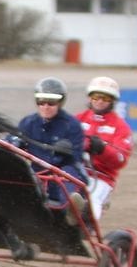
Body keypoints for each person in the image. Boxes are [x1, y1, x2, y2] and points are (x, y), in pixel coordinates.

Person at [15, 76, 88, 224]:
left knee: (67, 174)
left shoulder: (72, 125)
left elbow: (76, 156)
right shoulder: (28, 123)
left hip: (65, 171)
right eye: (41, 102)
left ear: (60, 103)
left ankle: (71, 207)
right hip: (37, 173)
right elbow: (14, 140)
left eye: (51, 102)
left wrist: (63, 152)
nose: (45, 106)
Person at [76, 76, 133, 220]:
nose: (100, 101)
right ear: (90, 98)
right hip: (74, 171)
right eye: (96, 97)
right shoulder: (77, 119)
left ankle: (85, 227)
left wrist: (101, 149)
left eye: (105, 98)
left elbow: (120, 160)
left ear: (113, 101)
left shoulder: (121, 127)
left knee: (91, 202)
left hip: (101, 178)